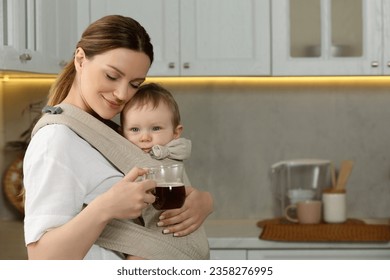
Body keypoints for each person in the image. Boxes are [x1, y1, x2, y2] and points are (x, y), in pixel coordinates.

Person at [23, 15, 213, 260]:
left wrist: (204, 202)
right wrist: (106, 207)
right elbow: (41, 261)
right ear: (80, 60)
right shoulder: (56, 141)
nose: (122, 94)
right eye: (112, 76)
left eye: (135, 84)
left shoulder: (107, 131)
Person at [107, 82, 207, 260]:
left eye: (156, 128)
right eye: (135, 129)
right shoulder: (121, 158)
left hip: (170, 234)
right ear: (122, 134)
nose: (145, 137)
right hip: (141, 236)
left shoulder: (170, 154)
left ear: (176, 133)